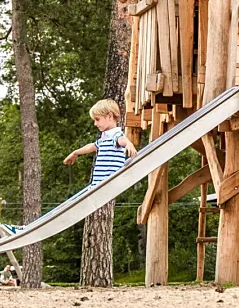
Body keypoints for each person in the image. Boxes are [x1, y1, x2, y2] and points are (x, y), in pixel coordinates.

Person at [1, 98, 137, 236]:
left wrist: (129, 144)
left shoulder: (116, 135)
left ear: (109, 116)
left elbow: (122, 140)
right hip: (96, 186)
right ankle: (26, 229)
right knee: (63, 208)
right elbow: (93, 146)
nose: (95, 123)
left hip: (103, 185)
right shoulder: (105, 137)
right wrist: (76, 152)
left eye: (97, 119)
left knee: (65, 209)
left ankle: (26, 230)